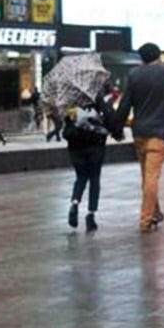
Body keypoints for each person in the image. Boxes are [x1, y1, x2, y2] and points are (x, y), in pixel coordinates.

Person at [114, 42, 164, 233]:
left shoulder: (134, 75)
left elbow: (125, 104)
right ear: (158, 55)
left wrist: (117, 128)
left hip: (139, 132)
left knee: (146, 176)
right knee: (152, 177)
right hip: (159, 132)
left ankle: (155, 212)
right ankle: (146, 219)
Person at [63, 88, 116, 231]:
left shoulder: (70, 99)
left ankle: (74, 203)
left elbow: (67, 121)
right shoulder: (97, 97)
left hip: (75, 147)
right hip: (95, 145)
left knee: (81, 177)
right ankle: (90, 215)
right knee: (94, 178)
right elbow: (109, 118)